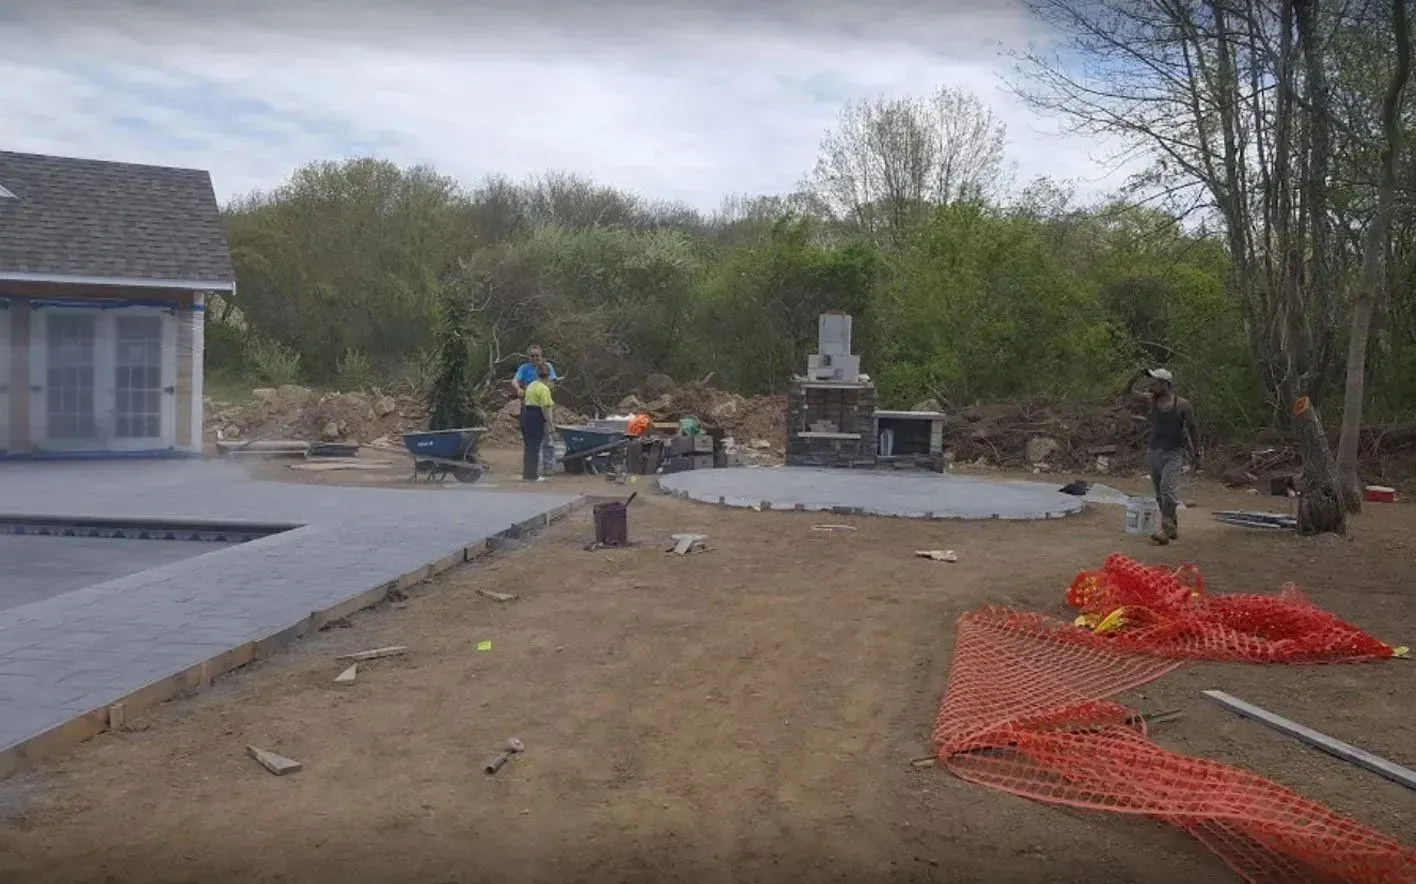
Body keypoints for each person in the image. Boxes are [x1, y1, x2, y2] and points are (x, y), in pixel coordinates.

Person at [1121, 367, 1199, 545]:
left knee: (1167, 491)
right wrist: (1135, 375)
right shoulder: (1151, 400)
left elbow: (1193, 430)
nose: (1152, 385)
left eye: (1156, 382)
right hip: (1154, 452)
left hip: (1174, 453)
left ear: (1166, 384)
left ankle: (1165, 529)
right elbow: (1126, 392)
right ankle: (1171, 527)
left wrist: (1197, 454)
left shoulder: (1182, 405)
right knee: (1159, 495)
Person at [512, 345, 559, 475]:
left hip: (536, 404)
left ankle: (545, 467)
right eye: (532, 356)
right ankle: (534, 469)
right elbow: (515, 381)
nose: (535, 358)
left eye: (537, 355)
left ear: (541, 355)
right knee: (535, 440)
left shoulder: (546, 369)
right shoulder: (525, 369)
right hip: (532, 407)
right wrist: (519, 389)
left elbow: (553, 383)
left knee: (543, 440)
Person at [520, 363, 555, 483]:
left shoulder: (530, 386)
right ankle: (532, 475)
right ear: (548, 376)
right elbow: (545, 408)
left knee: (529, 446)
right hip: (536, 416)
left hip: (526, 415)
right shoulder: (544, 389)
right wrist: (551, 424)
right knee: (535, 447)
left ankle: (527, 473)